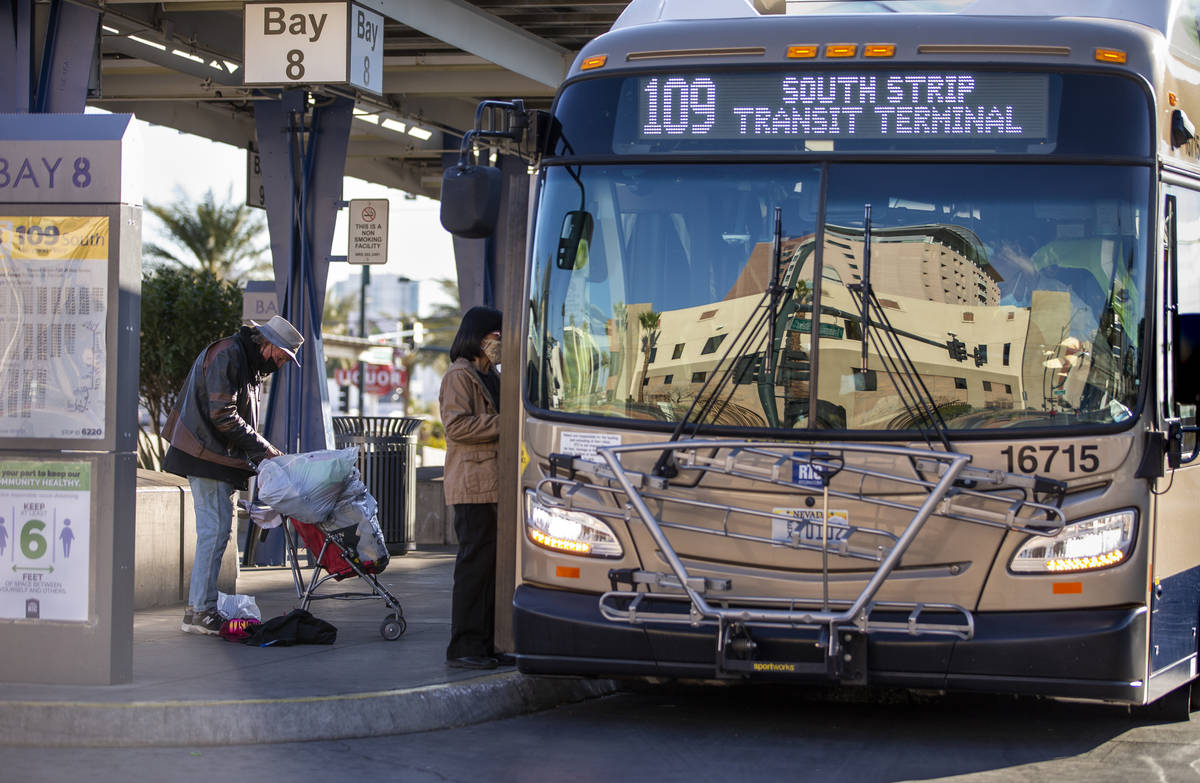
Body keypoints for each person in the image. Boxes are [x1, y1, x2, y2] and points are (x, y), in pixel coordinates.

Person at [162, 314, 303, 636]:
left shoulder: (245, 360)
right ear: (268, 345)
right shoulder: (230, 355)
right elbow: (222, 415)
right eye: (282, 356)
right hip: (205, 456)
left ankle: (200, 608)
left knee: (217, 534)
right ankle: (200, 611)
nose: (281, 364)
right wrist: (264, 448)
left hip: (214, 457)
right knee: (214, 534)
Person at [440, 305, 505, 669]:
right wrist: (504, 422)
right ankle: (465, 647)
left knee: (493, 569)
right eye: (497, 335)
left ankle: (488, 644)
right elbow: (457, 427)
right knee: (474, 567)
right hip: (473, 485)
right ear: (479, 337)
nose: (501, 343)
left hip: (495, 483)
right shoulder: (459, 376)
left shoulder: (490, 375)